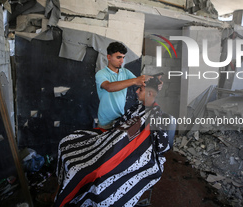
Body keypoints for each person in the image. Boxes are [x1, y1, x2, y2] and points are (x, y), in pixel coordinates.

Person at [54, 77, 170, 207]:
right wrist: (116, 137)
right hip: (113, 142)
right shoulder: (137, 107)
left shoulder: (158, 116)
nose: (136, 91)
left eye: (140, 89)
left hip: (133, 155)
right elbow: (119, 125)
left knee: (93, 172)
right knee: (68, 143)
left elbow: (162, 147)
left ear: (150, 93)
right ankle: (66, 192)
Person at [95, 41, 151, 129]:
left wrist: (152, 82)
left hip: (120, 119)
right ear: (109, 57)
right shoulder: (101, 74)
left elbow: (139, 82)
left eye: (123, 57)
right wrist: (135, 81)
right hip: (105, 122)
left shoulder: (125, 72)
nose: (122, 61)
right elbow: (109, 87)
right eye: (118, 57)